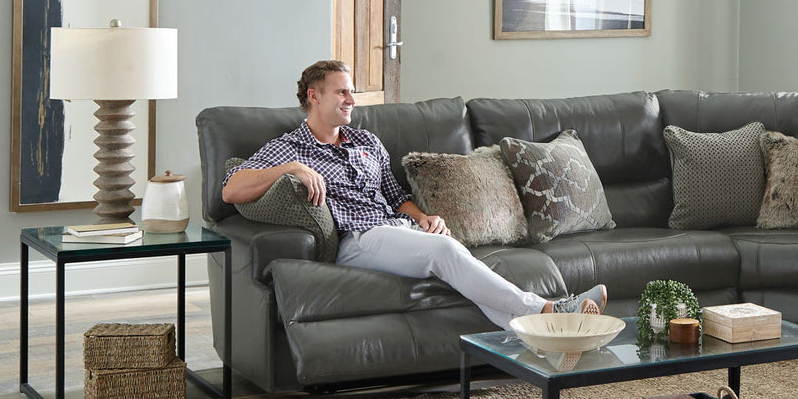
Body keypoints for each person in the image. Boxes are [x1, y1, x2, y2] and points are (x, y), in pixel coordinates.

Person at [221, 60, 605, 328]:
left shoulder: (366, 141)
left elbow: (393, 196)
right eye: (341, 92)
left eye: (352, 92)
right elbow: (231, 189)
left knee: (462, 270)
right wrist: (292, 168)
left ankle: (546, 340)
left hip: (398, 229)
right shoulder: (291, 148)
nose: (351, 99)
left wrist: (423, 217)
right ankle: (552, 310)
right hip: (356, 239)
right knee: (446, 252)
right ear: (314, 96)